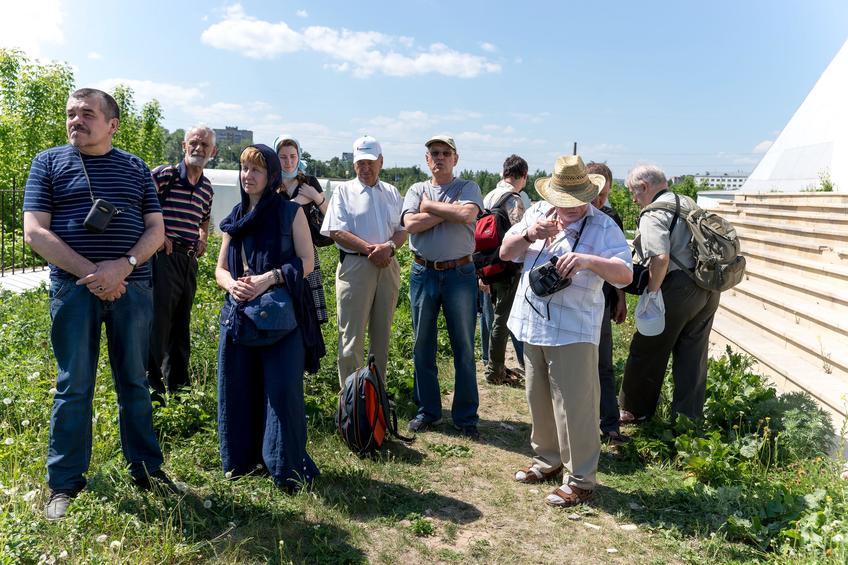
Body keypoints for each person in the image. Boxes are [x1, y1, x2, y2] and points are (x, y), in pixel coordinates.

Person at [23, 88, 172, 521]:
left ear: (112, 124)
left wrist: (122, 267)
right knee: (74, 385)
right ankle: (64, 484)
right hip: (73, 292)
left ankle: (146, 469)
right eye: (70, 113)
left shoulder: (135, 168)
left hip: (133, 290)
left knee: (134, 382)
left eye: (87, 113)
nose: (75, 120)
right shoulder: (47, 163)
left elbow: (156, 230)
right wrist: (94, 273)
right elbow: (35, 232)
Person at [501, 155, 631, 508]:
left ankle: (581, 479)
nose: (569, 208)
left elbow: (625, 273)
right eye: (563, 200)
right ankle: (547, 460)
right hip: (531, 321)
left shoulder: (603, 227)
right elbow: (505, 251)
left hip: (573, 327)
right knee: (538, 397)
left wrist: (589, 261)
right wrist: (530, 233)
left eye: (576, 201)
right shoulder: (537, 214)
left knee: (576, 405)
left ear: (589, 196)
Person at [215, 144, 320, 491]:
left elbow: (307, 262)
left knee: (283, 392)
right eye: (244, 169)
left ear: (271, 174)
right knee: (237, 387)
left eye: (256, 169)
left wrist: (269, 278)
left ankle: (285, 467)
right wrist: (233, 285)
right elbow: (219, 269)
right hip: (240, 313)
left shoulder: (291, 212)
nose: (248, 176)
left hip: (281, 319)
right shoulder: (236, 217)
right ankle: (241, 462)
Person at [618, 165, 720, 423]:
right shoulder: (689, 203)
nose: (633, 199)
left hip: (676, 287)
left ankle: (633, 410)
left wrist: (652, 294)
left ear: (644, 187)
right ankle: (688, 420)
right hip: (707, 287)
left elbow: (660, 258)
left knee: (648, 347)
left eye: (634, 192)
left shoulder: (654, 213)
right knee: (693, 356)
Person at [401, 135, 483, 439]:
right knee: (423, 344)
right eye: (434, 153)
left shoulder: (468, 187)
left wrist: (429, 208)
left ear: (455, 158)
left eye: (445, 153)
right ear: (426, 159)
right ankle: (428, 411)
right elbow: (410, 225)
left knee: (463, 345)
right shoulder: (415, 189)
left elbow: (467, 214)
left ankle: (465, 418)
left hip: (460, 272)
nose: (439, 158)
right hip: (423, 272)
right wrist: (445, 212)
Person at [320, 136, 406, 387]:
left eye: (370, 162)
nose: (365, 168)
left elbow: (402, 229)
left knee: (382, 335)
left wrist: (388, 248)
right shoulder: (344, 192)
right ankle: (351, 402)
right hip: (356, 267)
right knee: (351, 338)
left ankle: (375, 397)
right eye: (360, 163)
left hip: (387, 266)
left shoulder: (391, 192)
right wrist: (372, 250)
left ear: (381, 161)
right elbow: (336, 231)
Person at [147, 125, 217, 401]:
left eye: (204, 145)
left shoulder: (207, 187)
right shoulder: (166, 175)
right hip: (163, 257)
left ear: (213, 151)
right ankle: (152, 390)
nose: (198, 148)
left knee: (181, 326)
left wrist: (202, 237)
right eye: (194, 143)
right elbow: (141, 201)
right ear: (183, 145)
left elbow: (204, 218)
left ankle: (179, 390)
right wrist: (159, 233)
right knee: (158, 325)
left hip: (188, 262)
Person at [586, 162, 628, 444]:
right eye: (595, 192)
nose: (600, 200)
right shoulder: (572, 215)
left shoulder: (611, 218)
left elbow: (621, 264)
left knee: (603, 363)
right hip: (575, 299)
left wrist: (621, 298)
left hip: (602, 299)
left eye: (605, 193)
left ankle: (610, 424)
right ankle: (582, 423)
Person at [480, 154, 530, 386]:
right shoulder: (513, 199)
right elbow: (519, 233)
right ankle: (495, 370)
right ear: (524, 176)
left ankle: (491, 362)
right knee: (503, 318)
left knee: (493, 317)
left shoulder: (489, 195)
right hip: (507, 266)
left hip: (487, 263)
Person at [273, 135, 330, 325]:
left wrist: (316, 196)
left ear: (299, 156)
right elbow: (270, 218)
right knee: (283, 304)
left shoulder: (309, 182)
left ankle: (309, 350)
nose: (289, 162)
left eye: (293, 156)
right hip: (279, 252)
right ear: (275, 157)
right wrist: (297, 203)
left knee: (309, 311)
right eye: (283, 157)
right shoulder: (270, 183)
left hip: (306, 252)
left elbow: (331, 216)